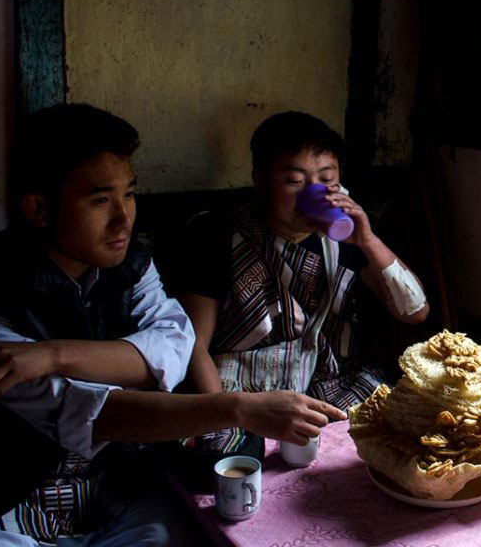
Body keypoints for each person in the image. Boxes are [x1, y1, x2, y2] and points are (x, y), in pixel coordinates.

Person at [0, 104, 347, 547]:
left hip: (111, 498)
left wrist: (49, 355)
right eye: (100, 199)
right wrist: (237, 408)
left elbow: (172, 348)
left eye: (130, 193)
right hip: (0, 512)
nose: (124, 217)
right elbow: (91, 413)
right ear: (37, 208)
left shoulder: (132, 267)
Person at [174, 111, 429, 429]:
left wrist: (367, 240)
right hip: (244, 393)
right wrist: (225, 419)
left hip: (336, 386)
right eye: (295, 181)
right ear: (260, 181)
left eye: (328, 181)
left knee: (397, 438)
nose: (314, 193)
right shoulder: (218, 233)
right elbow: (194, 345)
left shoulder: (349, 236)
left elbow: (415, 312)